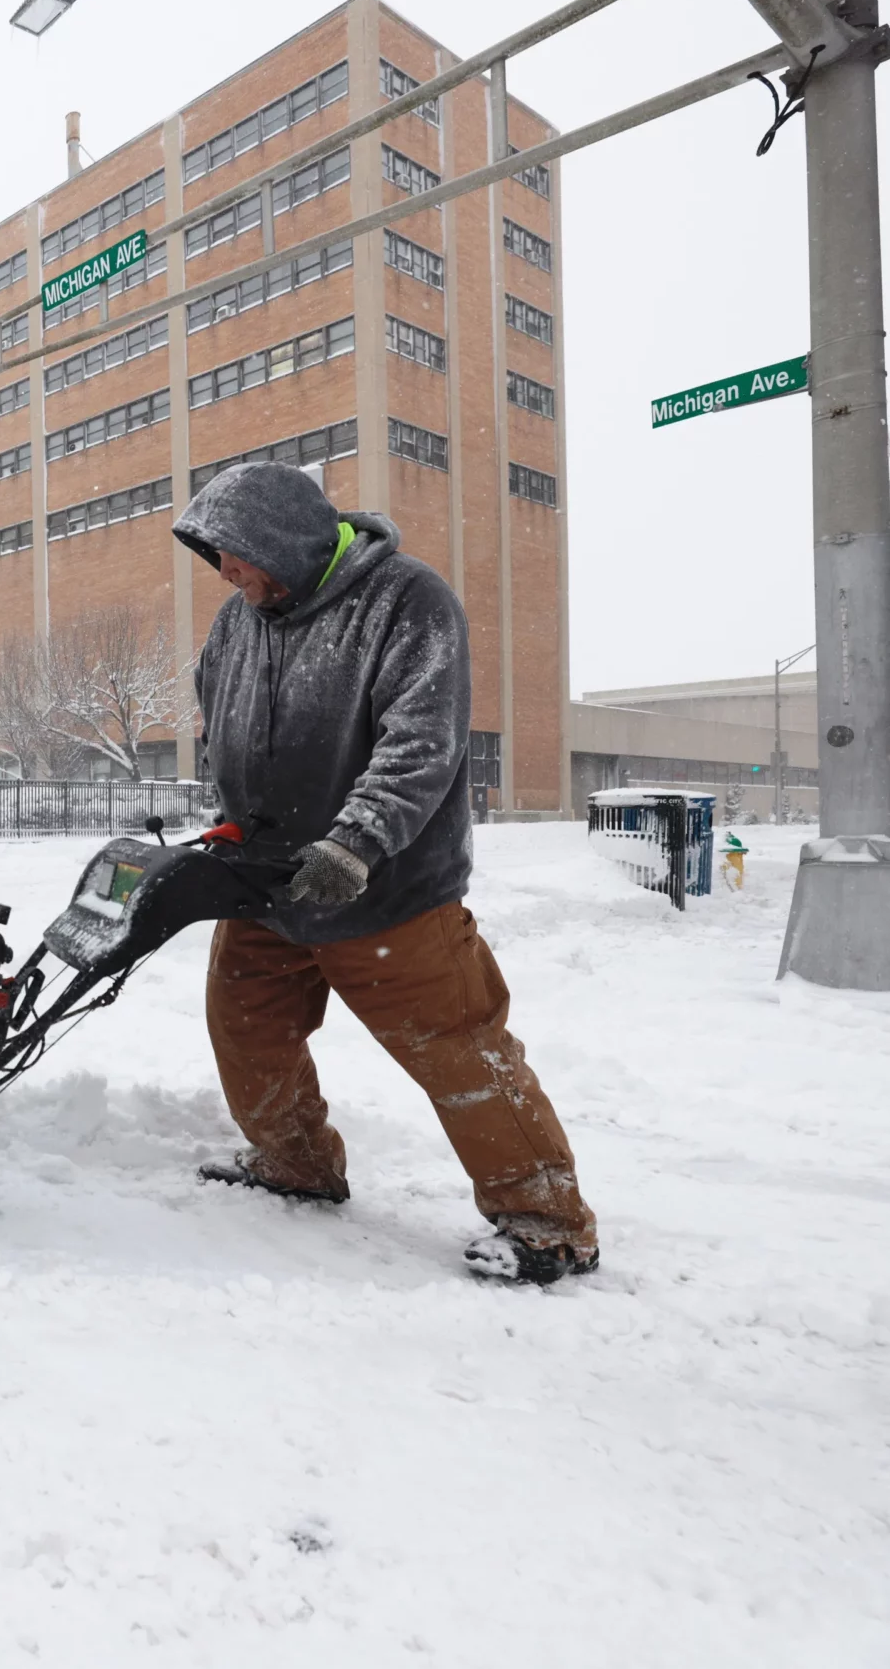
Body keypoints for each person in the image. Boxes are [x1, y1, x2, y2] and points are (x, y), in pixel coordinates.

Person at [170, 462, 598, 1283]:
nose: (225, 573)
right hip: (268, 886)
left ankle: (547, 1222)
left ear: (282, 541)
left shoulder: (406, 600)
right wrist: (236, 816)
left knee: (459, 1051)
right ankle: (296, 1163)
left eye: (234, 554)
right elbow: (221, 720)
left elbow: (422, 742)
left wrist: (356, 841)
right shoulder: (239, 621)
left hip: (390, 890)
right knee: (246, 1026)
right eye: (215, 556)